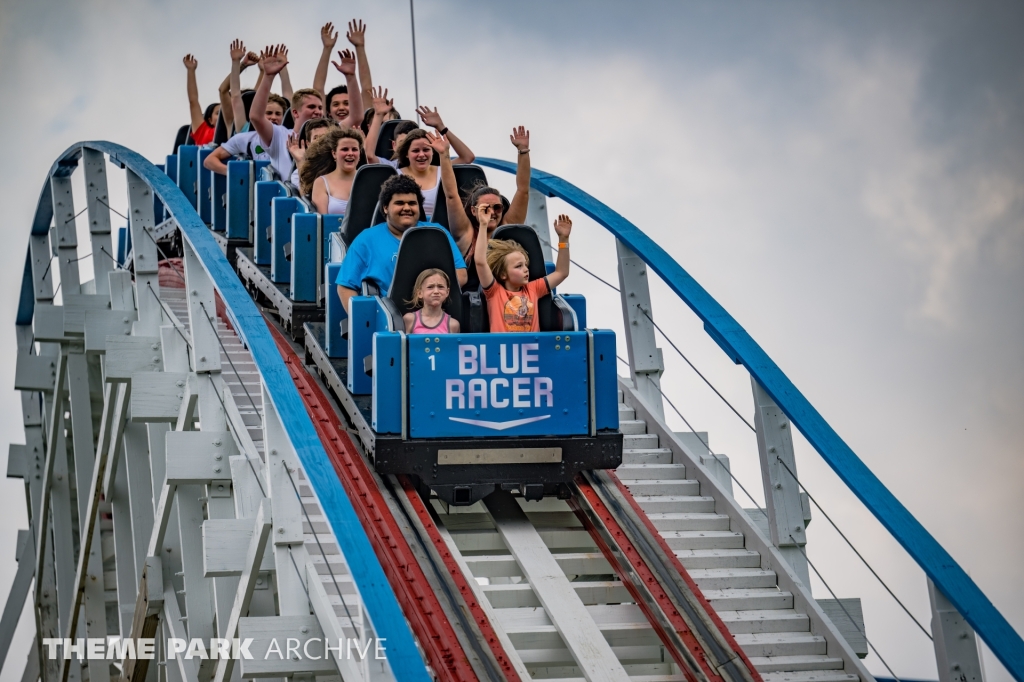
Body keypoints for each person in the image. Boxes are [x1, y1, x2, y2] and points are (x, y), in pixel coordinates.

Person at [335, 175, 468, 313]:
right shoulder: (366, 240)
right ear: (385, 208)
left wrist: (431, 293)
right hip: (391, 320)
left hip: (437, 316)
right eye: (399, 203)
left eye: (412, 203)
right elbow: (345, 286)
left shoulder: (438, 233)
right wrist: (363, 324)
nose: (407, 208)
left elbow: (461, 274)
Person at [205, 45, 323, 178]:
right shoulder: (246, 135)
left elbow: (291, 98)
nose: (273, 117)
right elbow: (236, 96)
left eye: (278, 114)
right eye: (269, 113)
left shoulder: (286, 135)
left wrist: (282, 67)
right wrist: (238, 64)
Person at [449, 126, 532, 281]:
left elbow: (523, 190)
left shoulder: (506, 228)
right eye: (486, 208)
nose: (493, 212)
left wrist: (523, 151)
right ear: (474, 211)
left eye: (497, 207)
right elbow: (451, 196)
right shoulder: (466, 232)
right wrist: (443, 157)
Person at [475, 211, 572, 333]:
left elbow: (561, 273)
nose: (526, 269)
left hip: (531, 349)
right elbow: (480, 262)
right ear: (503, 274)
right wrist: (483, 225)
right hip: (502, 350)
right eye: (518, 266)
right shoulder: (494, 292)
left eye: (525, 265)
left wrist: (563, 240)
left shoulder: (533, 289)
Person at [306, 127, 364, 213]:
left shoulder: (368, 179)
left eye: (354, 149)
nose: (350, 153)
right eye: (345, 149)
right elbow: (323, 221)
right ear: (334, 154)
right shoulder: (321, 183)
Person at [403, 269, 460, 334]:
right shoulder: (409, 320)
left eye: (440, 287)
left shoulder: (453, 324)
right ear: (419, 293)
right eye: (430, 287)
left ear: (447, 292)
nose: (436, 291)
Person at [287, 117, 336, 188]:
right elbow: (305, 195)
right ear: (308, 143)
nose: (320, 141)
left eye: (324, 137)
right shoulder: (296, 174)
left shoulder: (340, 164)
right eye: (316, 138)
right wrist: (300, 162)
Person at [182, 54, 219, 146]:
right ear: (210, 120)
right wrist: (191, 70)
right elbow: (193, 101)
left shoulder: (235, 131)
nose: (222, 116)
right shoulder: (204, 131)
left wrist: (262, 71)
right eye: (218, 113)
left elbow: (250, 101)